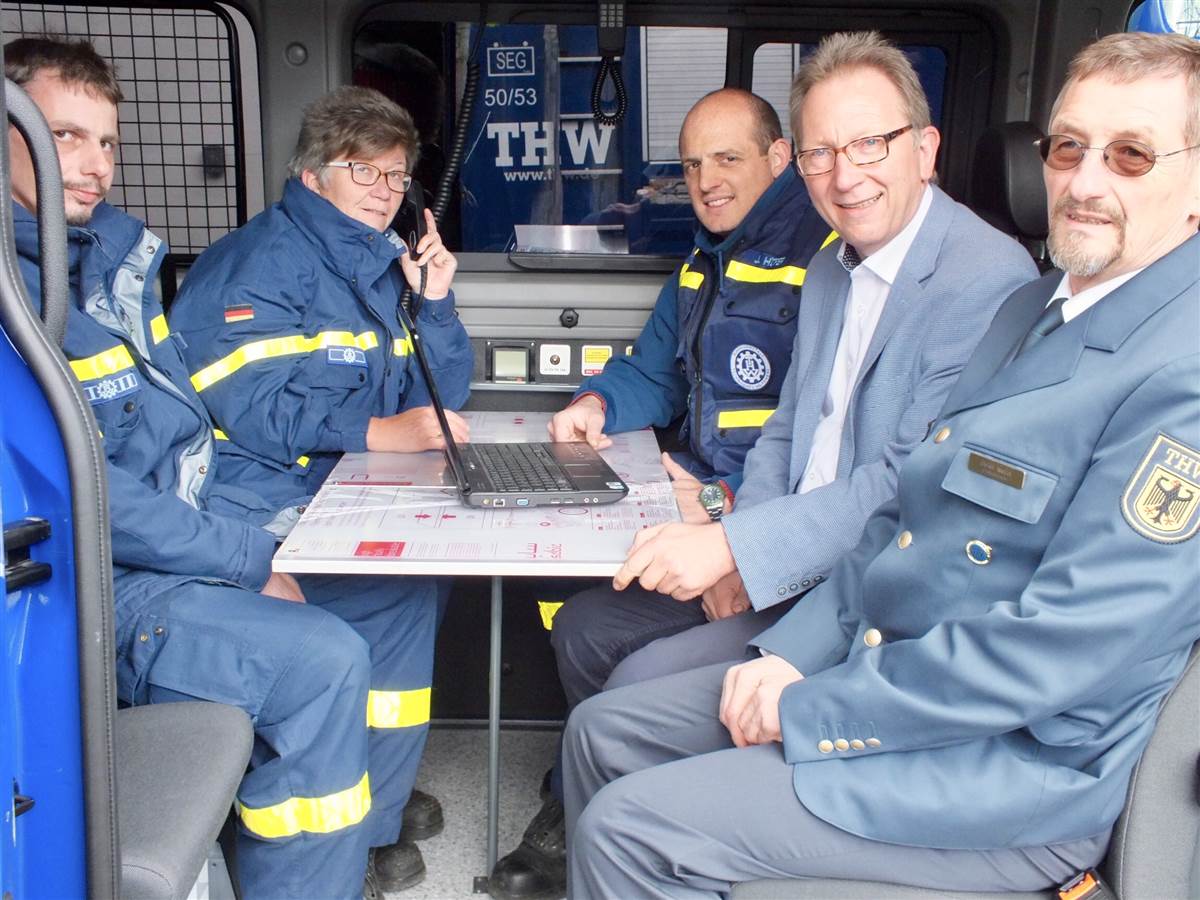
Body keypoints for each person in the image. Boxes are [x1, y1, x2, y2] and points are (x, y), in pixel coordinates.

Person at [563, 29, 1200, 898]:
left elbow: (1055, 652)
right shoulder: (1033, 309)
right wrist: (793, 651)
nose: (1086, 181)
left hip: (1000, 775)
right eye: (1068, 148)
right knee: (604, 735)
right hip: (884, 658)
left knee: (628, 833)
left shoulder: (1178, 371)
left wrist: (807, 705)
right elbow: (909, 518)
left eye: (1132, 155)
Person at [495, 32, 1041, 900]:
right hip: (790, 552)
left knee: (628, 685)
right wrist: (746, 543)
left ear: (925, 148)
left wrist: (739, 549)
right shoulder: (832, 263)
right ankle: (618, 842)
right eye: (826, 151)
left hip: (866, 585)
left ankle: (641, 840)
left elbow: (905, 481)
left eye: (869, 144)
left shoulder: (987, 281)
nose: (844, 173)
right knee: (595, 640)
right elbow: (790, 430)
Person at [4, 38, 432, 899]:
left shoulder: (105, 273)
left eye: (105, 143)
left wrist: (441, 303)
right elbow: (86, 494)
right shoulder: (24, 298)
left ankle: (368, 826)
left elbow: (177, 439)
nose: (90, 167)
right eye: (61, 137)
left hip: (185, 530)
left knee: (398, 585)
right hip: (103, 586)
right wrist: (249, 555)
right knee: (324, 659)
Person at [487, 87, 834, 900]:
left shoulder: (823, 259)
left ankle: (630, 815)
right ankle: (589, 799)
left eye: (728, 159)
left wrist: (731, 525)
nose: (707, 180)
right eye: (692, 164)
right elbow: (655, 369)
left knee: (632, 662)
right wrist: (596, 405)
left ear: (779, 159)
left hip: (780, 550)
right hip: (710, 513)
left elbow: (821, 451)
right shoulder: (702, 259)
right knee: (579, 625)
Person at [166, 84, 476, 894]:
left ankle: (374, 799)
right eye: (362, 171)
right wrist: (381, 432)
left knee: (419, 583)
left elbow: (442, 392)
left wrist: (434, 302)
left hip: (332, 488)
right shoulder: (256, 263)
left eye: (397, 177)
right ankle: (353, 828)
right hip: (250, 499)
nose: (384, 191)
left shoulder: (375, 265)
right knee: (395, 596)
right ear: (312, 176)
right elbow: (251, 405)